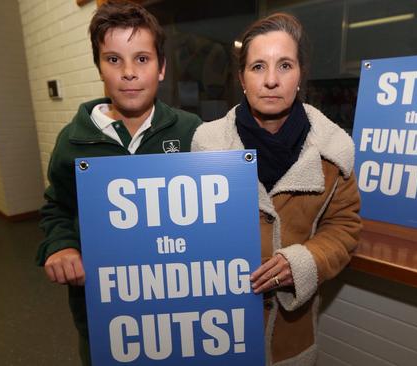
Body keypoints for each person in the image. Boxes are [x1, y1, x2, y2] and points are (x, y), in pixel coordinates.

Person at [35, 1, 201, 364]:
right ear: (99, 67)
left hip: (178, 306)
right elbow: (57, 206)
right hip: (105, 313)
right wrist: (61, 246)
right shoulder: (73, 141)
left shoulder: (192, 133)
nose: (129, 72)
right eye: (114, 59)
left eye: (142, 59)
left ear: (161, 68)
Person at [191, 13, 362, 365]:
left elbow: (344, 228)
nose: (271, 80)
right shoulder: (208, 145)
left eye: (284, 65)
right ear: (241, 78)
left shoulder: (333, 149)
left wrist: (303, 261)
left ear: (300, 75)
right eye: (257, 67)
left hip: (290, 332)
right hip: (222, 326)